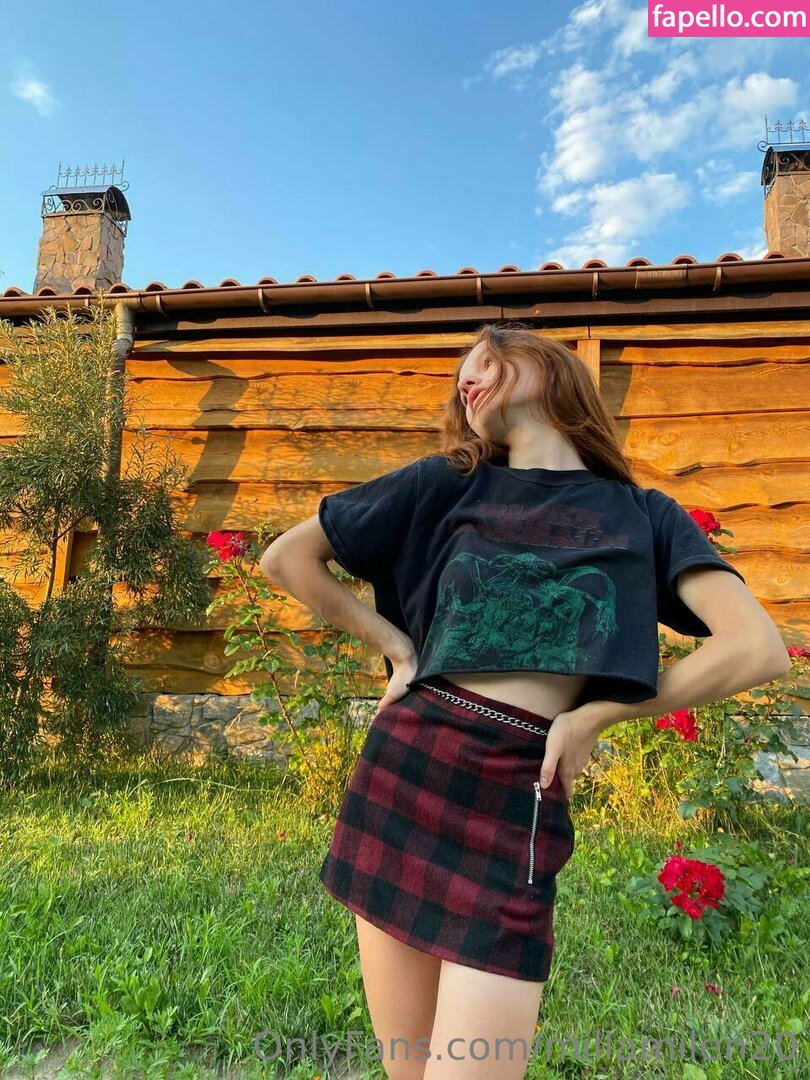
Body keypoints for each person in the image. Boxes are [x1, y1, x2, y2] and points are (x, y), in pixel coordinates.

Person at [260, 320, 791, 1080]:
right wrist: (398, 647)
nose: (465, 381)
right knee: (407, 1068)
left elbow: (756, 647)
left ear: (548, 369)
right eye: (461, 375)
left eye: (484, 361)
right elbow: (288, 558)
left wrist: (599, 713)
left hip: (517, 783)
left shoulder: (644, 517)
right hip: (407, 767)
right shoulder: (448, 483)